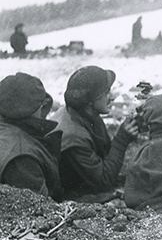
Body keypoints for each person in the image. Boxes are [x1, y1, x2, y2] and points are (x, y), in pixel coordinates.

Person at [52, 66, 138, 201]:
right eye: (107, 93)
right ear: (90, 101)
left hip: (85, 179)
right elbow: (104, 181)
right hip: (71, 195)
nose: (112, 97)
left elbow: (104, 154)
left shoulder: (84, 113)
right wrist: (121, 141)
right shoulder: (73, 136)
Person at [0, 72, 62, 199]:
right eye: (41, 105)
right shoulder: (22, 157)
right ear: (33, 109)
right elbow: (41, 209)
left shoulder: (7, 128)